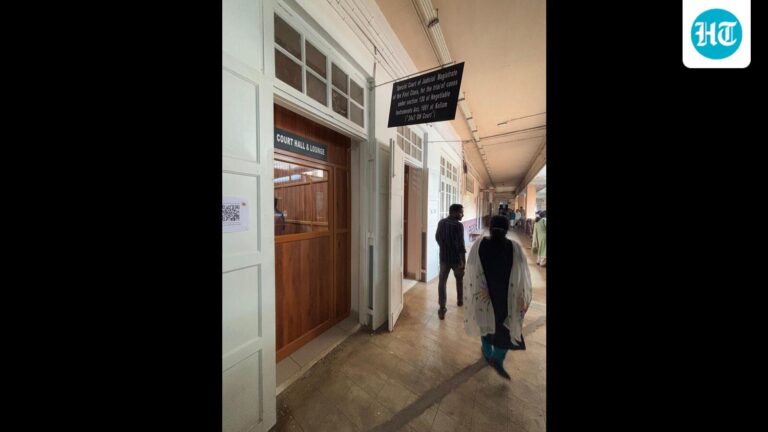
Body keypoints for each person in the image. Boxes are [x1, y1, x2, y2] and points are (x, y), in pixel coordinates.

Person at [463, 215, 532, 380]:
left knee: (485, 324)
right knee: (505, 329)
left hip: (484, 296)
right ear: (507, 229)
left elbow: (470, 268)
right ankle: (497, 358)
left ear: (490, 227)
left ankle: (487, 354)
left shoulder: (480, 244)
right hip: (506, 297)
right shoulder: (514, 248)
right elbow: (522, 274)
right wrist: (522, 297)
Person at [435, 204, 466, 320]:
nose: (462, 215)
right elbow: (461, 244)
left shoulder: (441, 222)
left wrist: (444, 247)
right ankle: (460, 300)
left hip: (444, 258)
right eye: (461, 212)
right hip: (456, 259)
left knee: (442, 282)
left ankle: (442, 308)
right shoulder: (458, 225)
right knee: (459, 279)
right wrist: (463, 261)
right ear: (454, 212)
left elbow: (437, 237)